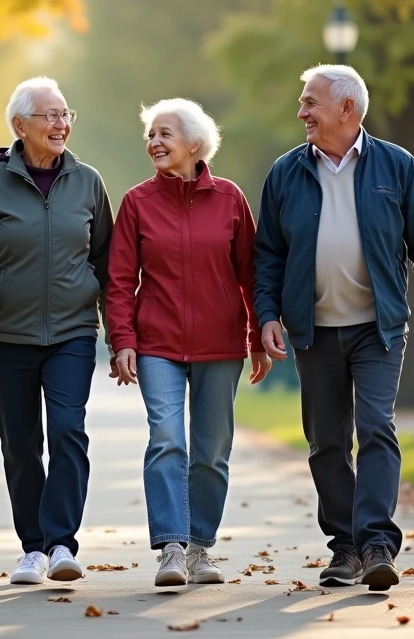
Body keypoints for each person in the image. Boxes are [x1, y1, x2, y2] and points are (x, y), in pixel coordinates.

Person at [253, 64, 414, 591]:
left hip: (378, 328)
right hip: (313, 330)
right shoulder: (287, 171)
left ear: (347, 108)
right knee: (325, 442)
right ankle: (344, 548)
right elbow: (268, 254)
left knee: (377, 429)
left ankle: (377, 543)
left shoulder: (395, 165)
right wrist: (268, 314)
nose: (301, 113)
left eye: (310, 103)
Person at [0, 76, 113, 586]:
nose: (61, 123)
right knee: (20, 445)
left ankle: (61, 542)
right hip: (8, 337)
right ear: (20, 126)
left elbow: (109, 263)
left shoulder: (87, 181)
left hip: (72, 333)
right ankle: (32, 548)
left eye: (66, 114)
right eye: (50, 115)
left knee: (68, 433)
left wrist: (122, 334)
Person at [106, 98, 270, 587]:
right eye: (150, 135)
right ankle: (171, 548)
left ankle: (201, 547)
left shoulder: (229, 199)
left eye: (164, 134)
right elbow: (118, 279)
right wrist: (123, 340)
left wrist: (257, 334)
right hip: (157, 343)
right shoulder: (137, 202)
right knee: (167, 441)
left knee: (211, 449)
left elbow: (250, 273)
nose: (154, 142)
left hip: (221, 344)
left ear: (194, 144)